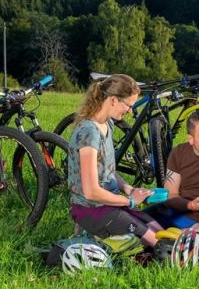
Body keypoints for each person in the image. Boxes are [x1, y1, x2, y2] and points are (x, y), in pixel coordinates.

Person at [67, 74, 163, 247]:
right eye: (129, 105)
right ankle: (93, 236)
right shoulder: (89, 133)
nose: (130, 111)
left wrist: (130, 189)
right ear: (113, 100)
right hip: (91, 209)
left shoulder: (107, 124)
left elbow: (108, 171)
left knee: (158, 230)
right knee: (156, 243)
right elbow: (91, 192)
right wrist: (130, 201)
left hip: (110, 204)